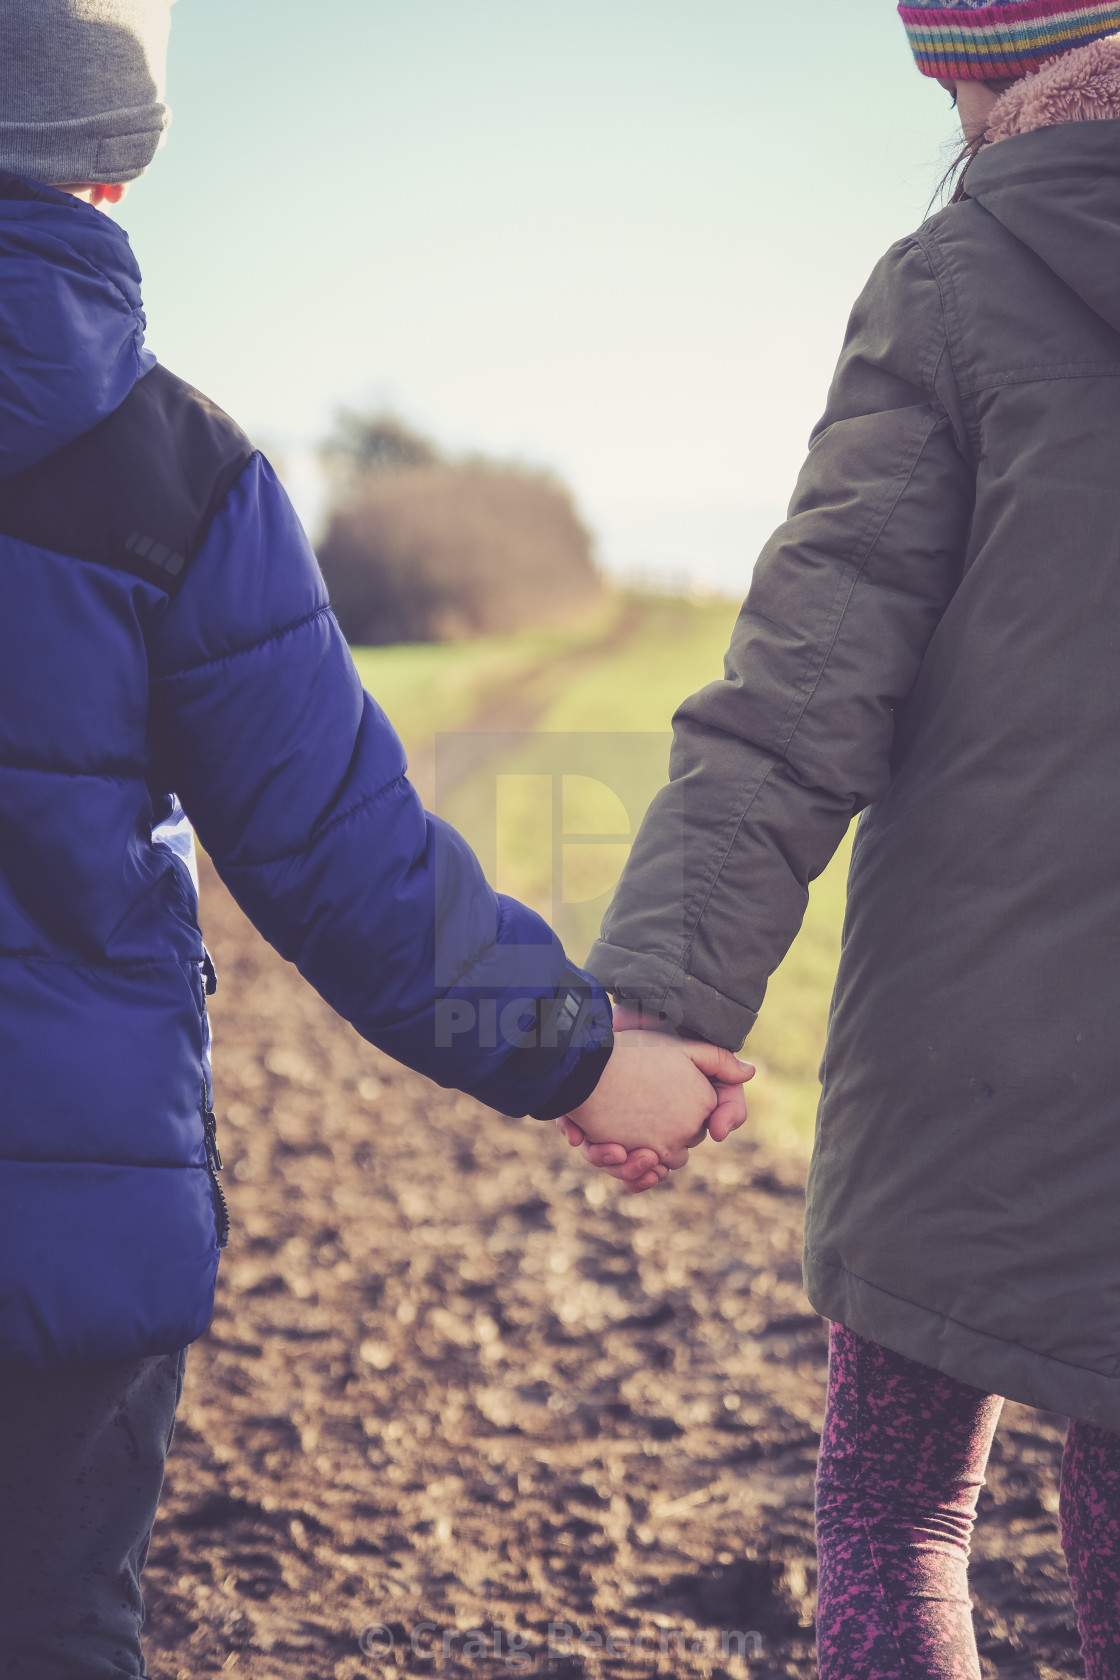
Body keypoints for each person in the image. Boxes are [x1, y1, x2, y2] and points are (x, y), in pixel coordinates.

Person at [0, 3, 756, 1674]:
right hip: (52, 1241)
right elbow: (348, 862)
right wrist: (583, 1060)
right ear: (120, 158)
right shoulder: (173, 475)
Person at [566, 4, 1120, 1675]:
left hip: (977, 1051)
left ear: (961, 72)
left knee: (896, 1523)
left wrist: (661, 1003)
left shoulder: (959, 284)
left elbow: (805, 684)